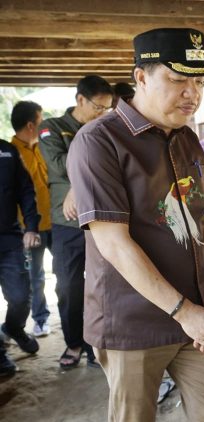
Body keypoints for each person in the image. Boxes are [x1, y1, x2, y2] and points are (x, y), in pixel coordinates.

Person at [66, 28, 204, 421]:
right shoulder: (99, 141)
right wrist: (184, 311)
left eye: (199, 80)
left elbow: (195, 225)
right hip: (134, 323)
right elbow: (115, 245)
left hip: (202, 318)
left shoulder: (187, 139)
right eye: (178, 79)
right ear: (140, 77)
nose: (192, 93)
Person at [39, 74, 113, 369]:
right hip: (66, 223)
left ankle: (96, 343)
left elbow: (114, 165)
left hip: (100, 219)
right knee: (69, 287)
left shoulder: (104, 128)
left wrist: (75, 182)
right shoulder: (52, 128)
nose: (102, 113)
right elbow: (58, 165)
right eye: (98, 107)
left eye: (107, 109)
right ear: (80, 100)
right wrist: (85, 171)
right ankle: (73, 342)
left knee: (102, 286)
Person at [0, 139, 41, 377]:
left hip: (9, 239)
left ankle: (14, 328)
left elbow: (25, 189)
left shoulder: (7, 151)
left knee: (20, 297)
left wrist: (31, 226)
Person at [10, 101, 52, 337]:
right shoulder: (10, 153)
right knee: (36, 278)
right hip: (30, 228)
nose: (44, 124)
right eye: (41, 119)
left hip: (57, 221)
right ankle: (40, 319)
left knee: (68, 277)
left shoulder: (44, 146)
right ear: (30, 125)